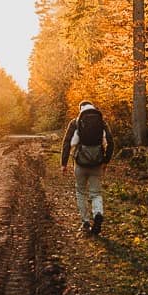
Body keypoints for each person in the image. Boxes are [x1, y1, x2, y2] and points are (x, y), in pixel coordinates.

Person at [61, 100, 114, 235]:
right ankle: (98, 213)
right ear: (93, 108)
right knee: (96, 193)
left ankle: (85, 222)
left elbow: (67, 142)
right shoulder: (101, 122)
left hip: (80, 163)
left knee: (80, 192)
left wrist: (64, 163)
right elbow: (110, 141)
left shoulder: (75, 122)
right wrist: (106, 161)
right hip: (97, 162)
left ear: (81, 109)